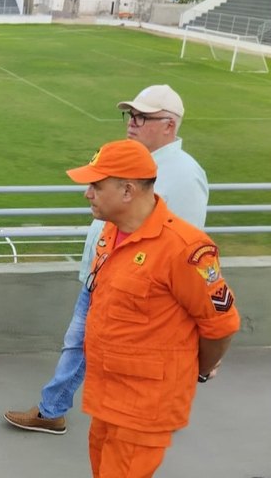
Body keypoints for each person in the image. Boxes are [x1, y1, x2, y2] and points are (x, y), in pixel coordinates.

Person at [4, 84, 208, 435]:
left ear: (169, 126)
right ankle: (58, 409)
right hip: (103, 277)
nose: (132, 122)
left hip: (135, 292)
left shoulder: (185, 175)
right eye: (130, 115)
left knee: (96, 351)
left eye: (142, 117)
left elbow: (187, 255)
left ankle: (86, 414)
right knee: (80, 343)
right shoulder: (136, 162)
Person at [67, 139, 240, 476]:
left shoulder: (185, 249)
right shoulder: (110, 232)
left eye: (96, 185)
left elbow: (221, 325)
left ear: (128, 191)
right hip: (107, 395)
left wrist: (198, 371)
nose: (88, 193)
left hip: (144, 407)